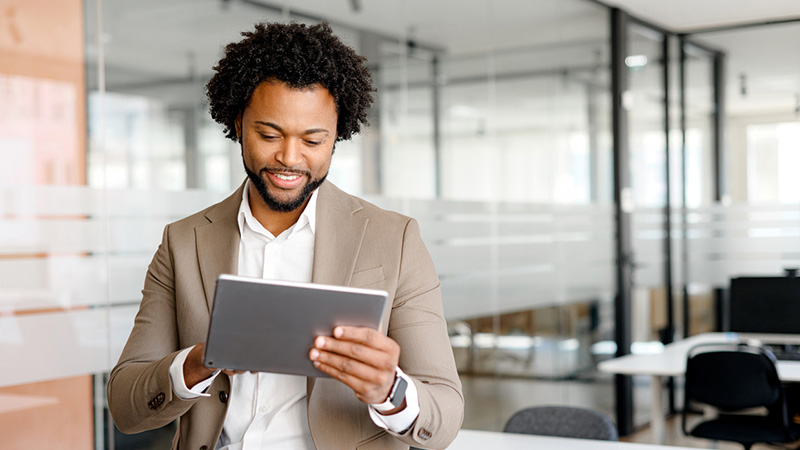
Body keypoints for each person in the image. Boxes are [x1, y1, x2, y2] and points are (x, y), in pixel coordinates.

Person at [106, 21, 463, 450]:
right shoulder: (183, 242)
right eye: (268, 134)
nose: (289, 158)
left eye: (313, 140)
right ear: (237, 123)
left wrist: (390, 391)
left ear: (337, 137)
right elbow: (125, 406)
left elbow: (443, 418)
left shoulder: (396, 240)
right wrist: (198, 362)